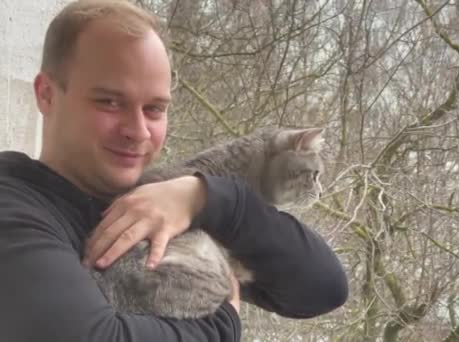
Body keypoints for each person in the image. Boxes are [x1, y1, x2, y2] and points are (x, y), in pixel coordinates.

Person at [0, 0, 348, 341]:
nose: (137, 131)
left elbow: (323, 289)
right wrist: (221, 324)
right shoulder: (14, 209)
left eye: (154, 109)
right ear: (47, 95)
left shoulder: (166, 207)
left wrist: (210, 200)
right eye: (109, 101)